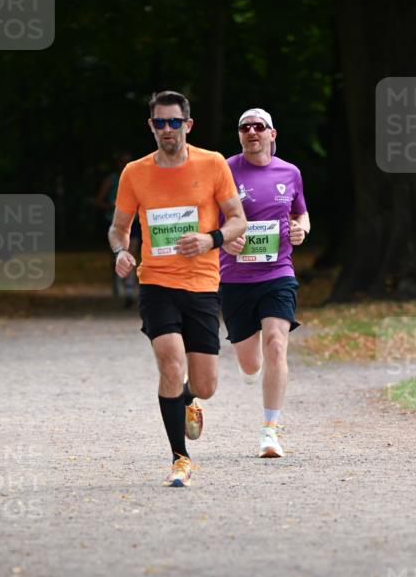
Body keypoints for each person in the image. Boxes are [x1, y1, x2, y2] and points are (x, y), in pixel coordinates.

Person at [109, 91, 246, 487]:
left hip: (202, 284)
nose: (167, 129)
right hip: (157, 283)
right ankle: (180, 458)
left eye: (174, 122)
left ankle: (186, 398)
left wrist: (210, 239)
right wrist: (121, 251)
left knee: (205, 385)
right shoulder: (134, 172)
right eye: (159, 123)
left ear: (188, 124)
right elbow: (119, 228)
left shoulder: (213, 163)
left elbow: (238, 219)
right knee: (170, 362)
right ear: (151, 127)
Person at [220, 108, 310, 457]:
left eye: (259, 126)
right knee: (250, 364)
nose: (252, 131)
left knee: (276, 343)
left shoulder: (290, 172)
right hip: (235, 278)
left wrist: (302, 229)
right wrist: (225, 239)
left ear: (272, 134)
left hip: (278, 273)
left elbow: (301, 212)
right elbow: (208, 217)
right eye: (245, 127)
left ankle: (269, 432)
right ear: (239, 135)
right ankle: (251, 364)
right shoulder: (225, 170)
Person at [95, 152, 140, 307]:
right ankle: (118, 280)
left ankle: (129, 289)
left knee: (131, 253)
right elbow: (99, 201)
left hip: (134, 222)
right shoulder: (111, 180)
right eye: (122, 161)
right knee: (118, 253)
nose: (124, 164)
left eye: (128, 160)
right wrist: (113, 207)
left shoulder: (137, 178)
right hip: (114, 222)